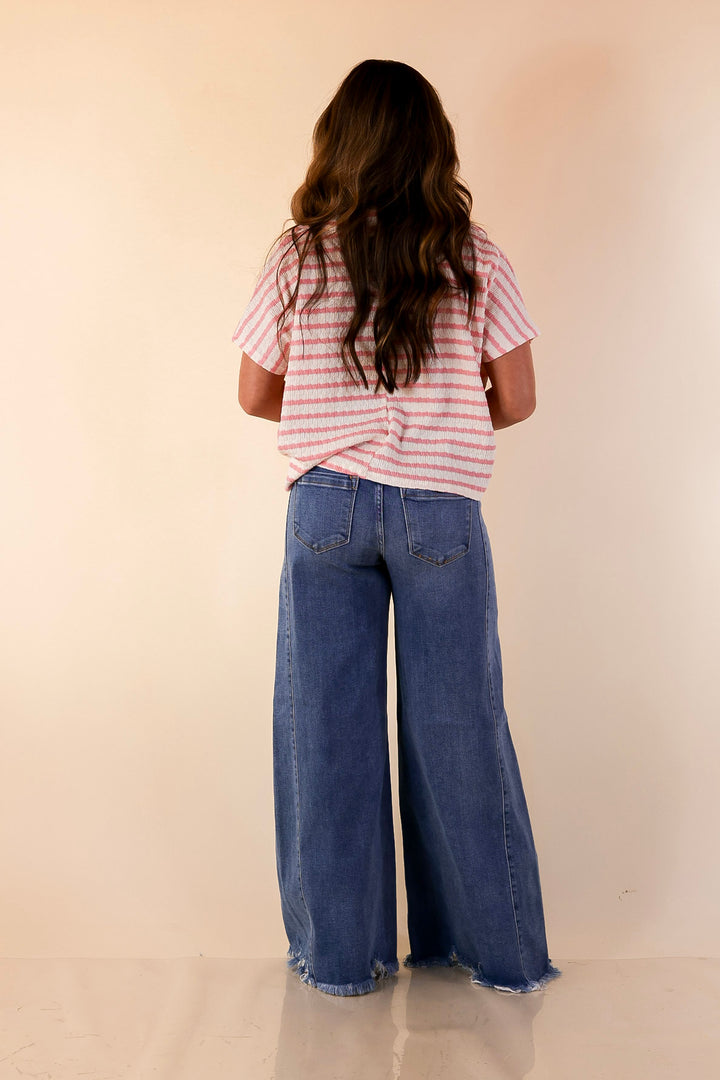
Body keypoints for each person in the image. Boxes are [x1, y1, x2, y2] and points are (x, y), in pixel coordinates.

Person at [231, 59, 562, 997]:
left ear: (338, 143)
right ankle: (493, 957)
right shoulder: (474, 254)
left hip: (325, 508)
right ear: (431, 147)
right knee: (459, 727)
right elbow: (518, 398)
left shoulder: (298, 255)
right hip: (440, 512)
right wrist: (446, 415)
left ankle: (340, 961)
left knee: (323, 729)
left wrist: (330, 416)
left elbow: (254, 392)